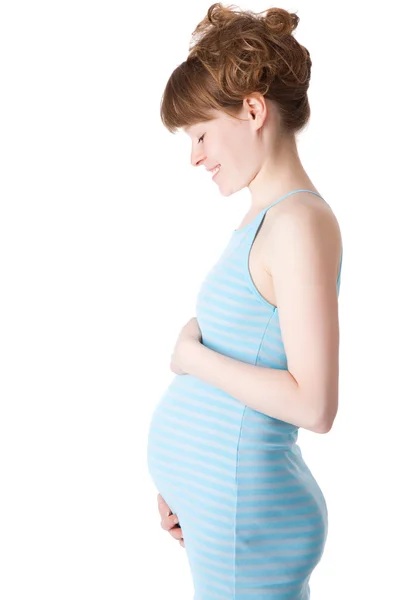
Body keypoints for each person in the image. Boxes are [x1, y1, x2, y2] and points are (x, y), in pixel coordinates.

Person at [147, 3, 342, 598]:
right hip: (227, 512)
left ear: (253, 110)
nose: (195, 155)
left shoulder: (297, 223)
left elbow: (314, 405)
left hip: (248, 516)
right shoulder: (265, 219)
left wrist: (190, 357)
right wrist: (185, 482)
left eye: (201, 133)